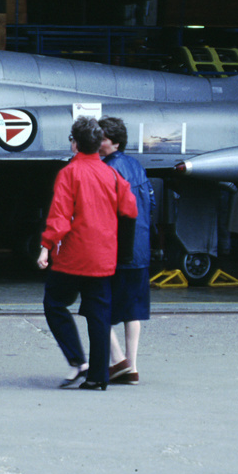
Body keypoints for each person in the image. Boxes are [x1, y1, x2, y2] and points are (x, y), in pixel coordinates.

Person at [37, 117, 138, 391]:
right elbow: (130, 210)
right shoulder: (112, 175)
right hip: (103, 256)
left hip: (73, 255)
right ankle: (98, 377)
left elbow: (60, 216)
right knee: (98, 314)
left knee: (54, 303)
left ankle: (76, 360)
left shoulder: (69, 173)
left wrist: (46, 246)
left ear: (74, 144)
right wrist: (124, 253)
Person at [98, 116, 155, 385]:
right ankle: (132, 366)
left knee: (98, 305)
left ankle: (118, 360)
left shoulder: (107, 169)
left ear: (114, 141)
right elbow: (150, 204)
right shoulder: (136, 166)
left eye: (102, 137)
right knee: (132, 310)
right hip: (140, 247)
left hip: (115, 249)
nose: (97, 141)